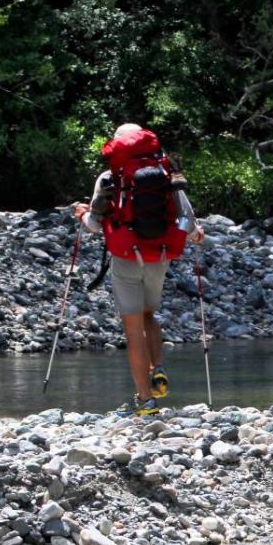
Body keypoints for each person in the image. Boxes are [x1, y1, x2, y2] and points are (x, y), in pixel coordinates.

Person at [75, 123, 203, 416]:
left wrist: (81, 213)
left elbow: (93, 225)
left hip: (126, 255)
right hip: (160, 253)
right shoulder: (166, 172)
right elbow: (186, 217)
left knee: (133, 330)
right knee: (149, 314)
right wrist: (197, 235)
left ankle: (146, 401)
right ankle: (158, 368)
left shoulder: (110, 177)